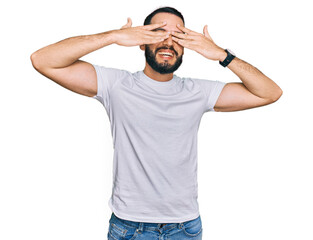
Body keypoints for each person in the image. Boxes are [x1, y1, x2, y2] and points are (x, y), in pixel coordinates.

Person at [31, 6, 282, 240]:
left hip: (185, 227)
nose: (169, 42)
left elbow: (270, 92)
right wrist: (113, 36)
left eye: (178, 36)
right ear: (142, 42)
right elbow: (43, 59)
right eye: (158, 32)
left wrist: (222, 55)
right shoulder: (115, 85)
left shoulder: (198, 92)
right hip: (129, 226)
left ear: (186, 47)